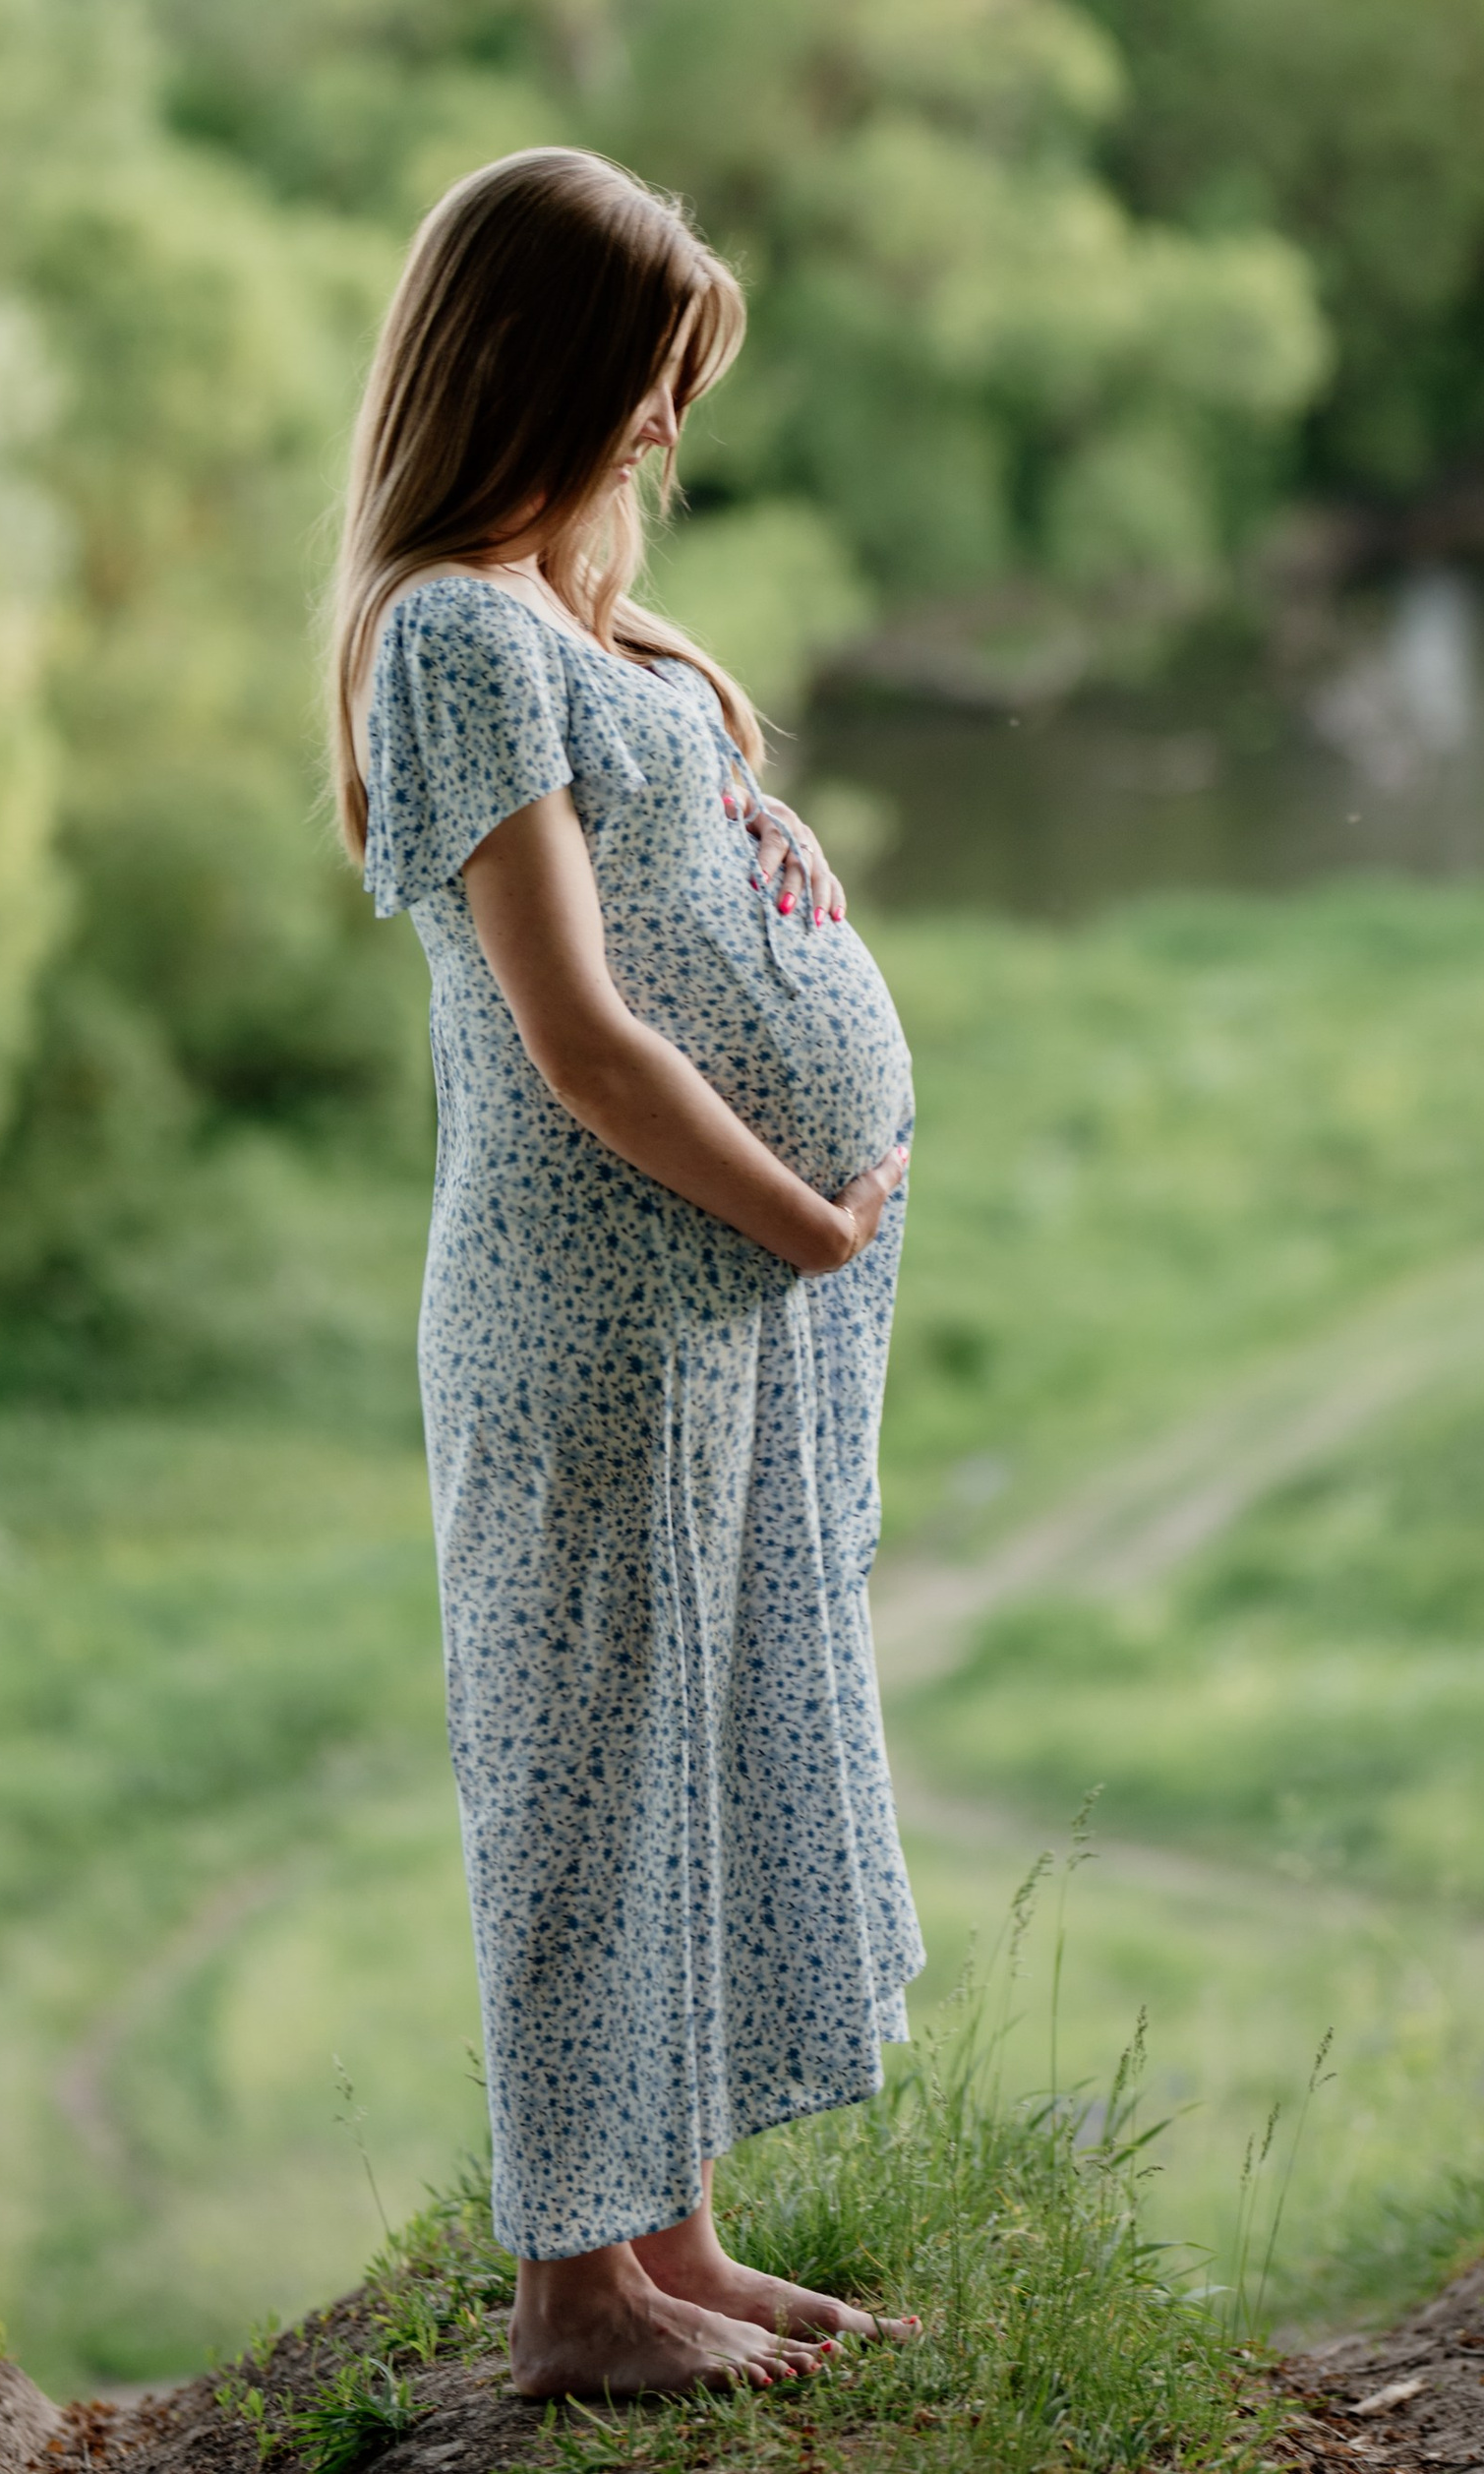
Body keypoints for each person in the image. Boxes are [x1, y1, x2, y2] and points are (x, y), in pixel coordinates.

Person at [328, 147, 922, 2402]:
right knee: (583, 1772)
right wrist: (803, 1211)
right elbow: (577, 1034)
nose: (666, 426)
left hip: (691, 1311)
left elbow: (673, 865)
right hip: (591, 1311)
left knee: (682, 1744)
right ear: (545, 368)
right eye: (648, 380)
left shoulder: (558, 619)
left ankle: (667, 2233)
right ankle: (574, 2297)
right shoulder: (454, 631)